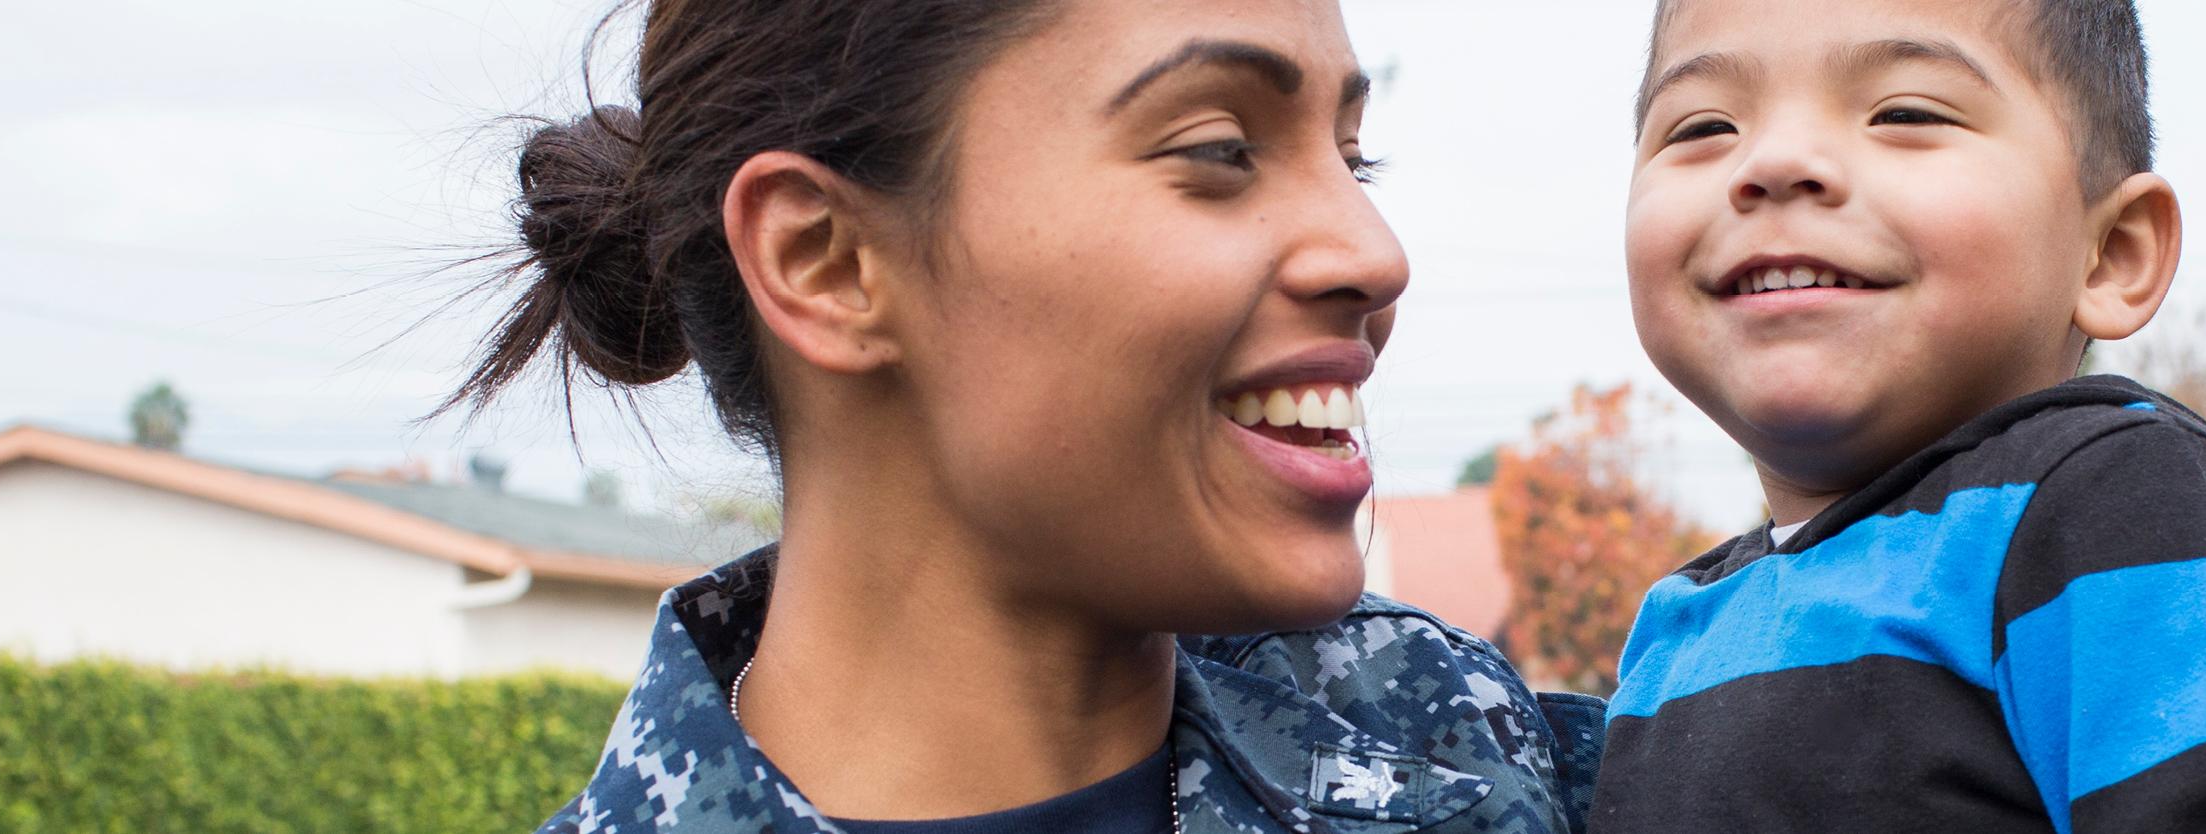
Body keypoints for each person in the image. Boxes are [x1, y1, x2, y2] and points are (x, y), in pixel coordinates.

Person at [459, 1, 1601, 831]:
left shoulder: (1458, 739)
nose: (1373, 252)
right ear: (828, 262)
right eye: (1220, 152)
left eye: (1356, 159)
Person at [1592, 0, 2206, 830]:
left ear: (2111, 252)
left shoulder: (2113, 504)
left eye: (1903, 112)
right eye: (1702, 127)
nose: (1775, 162)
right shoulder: (1678, 623)